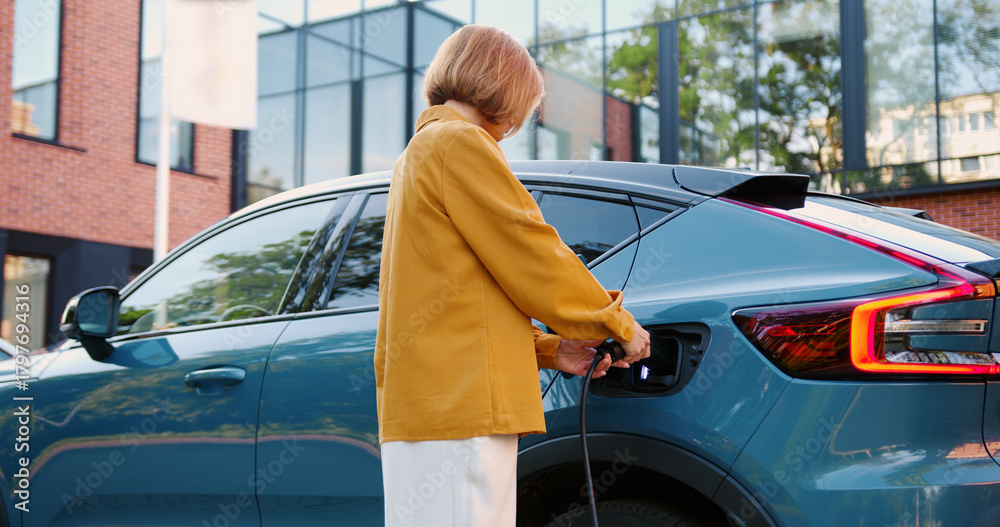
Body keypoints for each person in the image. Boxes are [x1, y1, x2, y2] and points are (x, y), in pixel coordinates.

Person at [374, 24, 651, 527]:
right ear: (506, 88)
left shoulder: (418, 153)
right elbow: (530, 251)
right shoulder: (460, 143)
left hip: (431, 405)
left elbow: (460, 294)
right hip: (462, 409)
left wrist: (549, 350)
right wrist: (618, 325)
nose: (519, 122)